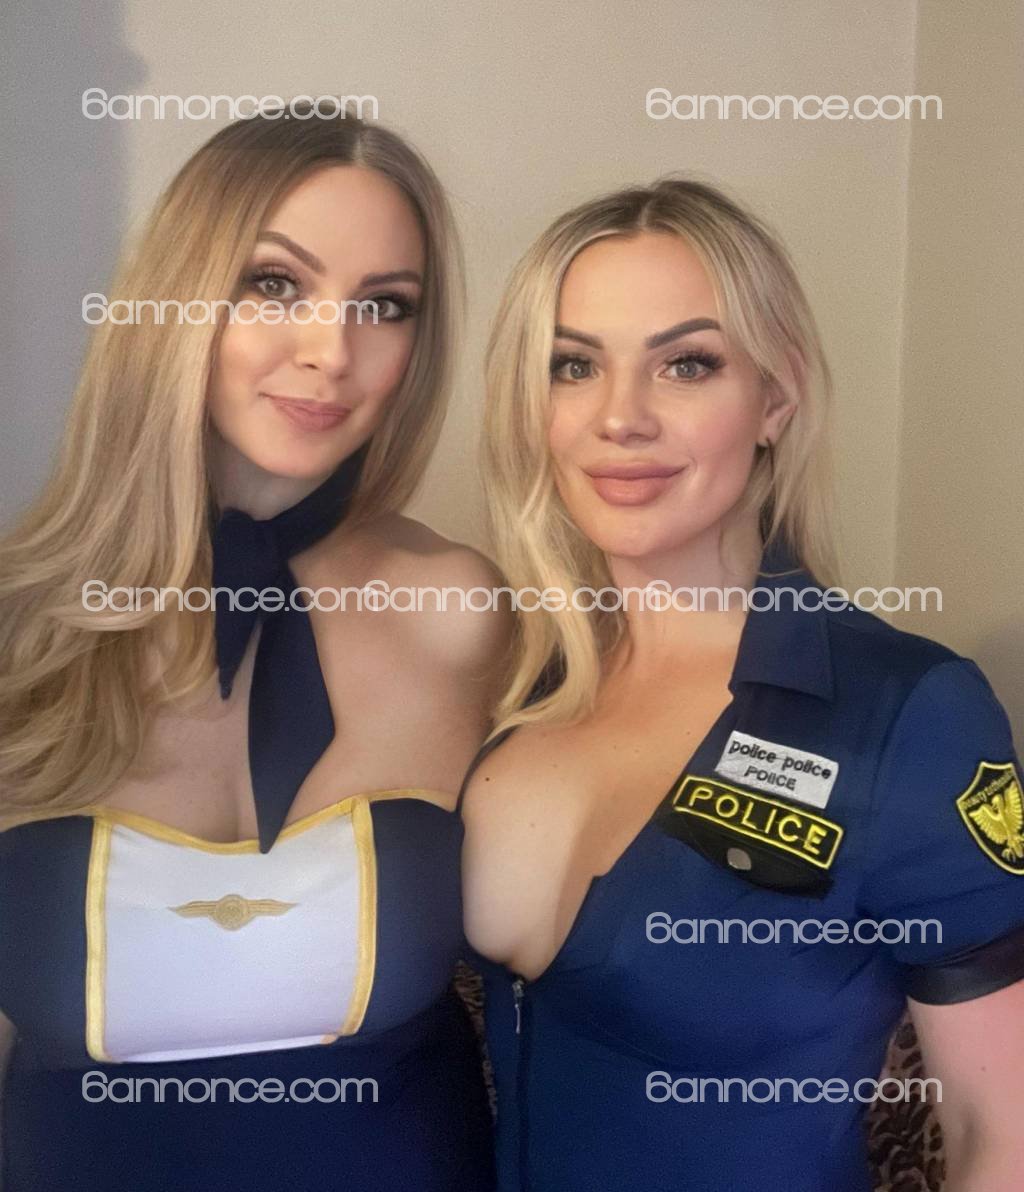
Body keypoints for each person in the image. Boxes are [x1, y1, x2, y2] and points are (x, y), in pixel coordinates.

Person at [460, 178, 1024, 1191]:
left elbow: (1004, 1135)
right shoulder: (511, 679)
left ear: (775, 398)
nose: (619, 417)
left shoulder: (910, 713)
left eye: (686, 364)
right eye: (573, 365)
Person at [0, 103, 506, 1191]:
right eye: (275, 283)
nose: (330, 352)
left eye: (383, 304)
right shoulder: (17, 627)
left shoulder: (460, 609)